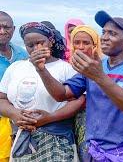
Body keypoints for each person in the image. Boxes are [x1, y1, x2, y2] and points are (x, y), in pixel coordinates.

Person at [29, 10, 123, 161]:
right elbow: (61, 94)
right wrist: (42, 70)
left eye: (112, 34)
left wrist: (100, 77)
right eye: (104, 32)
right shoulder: (94, 66)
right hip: (95, 151)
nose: (105, 37)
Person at [0, 22, 83, 161]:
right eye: (30, 45)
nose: (36, 48)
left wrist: (50, 117)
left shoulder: (66, 68)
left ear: (50, 42)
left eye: (40, 43)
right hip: (22, 139)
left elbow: (78, 101)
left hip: (57, 141)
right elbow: (2, 98)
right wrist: (15, 114)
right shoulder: (16, 67)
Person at [69, 25, 103, 161]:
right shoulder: (68, 65)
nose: (81, 47)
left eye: (86, 43)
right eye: (77, 43)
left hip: (98, 121)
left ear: (95, 45)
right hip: (74, 119)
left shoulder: (102, 66)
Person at [0, 11, 28, 161]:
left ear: (14, 29)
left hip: (19, 120)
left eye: (6, 27)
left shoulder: (22, 54)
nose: (2, 31)